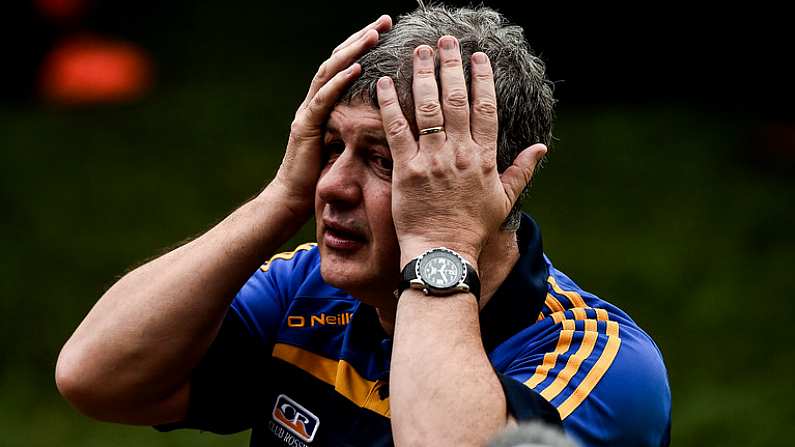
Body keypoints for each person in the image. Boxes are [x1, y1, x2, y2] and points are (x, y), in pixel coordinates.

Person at [55, 5, 671, 447]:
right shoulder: (308, 289)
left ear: (495, 183)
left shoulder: (602, 365)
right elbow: (97, 378)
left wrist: (439, 242)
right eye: (330, 148)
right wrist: (278, 200)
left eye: (384, 159)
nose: (332, 186)